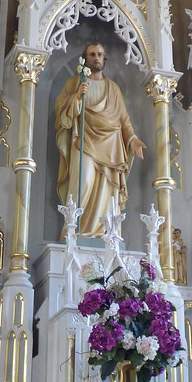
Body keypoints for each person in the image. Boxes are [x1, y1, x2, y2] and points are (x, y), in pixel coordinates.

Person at [54, 42, 145, 237]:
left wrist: (133, 140)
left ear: (104, 59)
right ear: (85, 58)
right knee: (84, 182)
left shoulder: (113, 89)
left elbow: (123, 118)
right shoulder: (74, 83)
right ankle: (73, 230)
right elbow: (61, 109)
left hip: (111, 144)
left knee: (107, 190)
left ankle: (105, 232)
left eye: (100, 54)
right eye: (92, 54)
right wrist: (77, 97)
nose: (96, 58)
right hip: (83, 140)